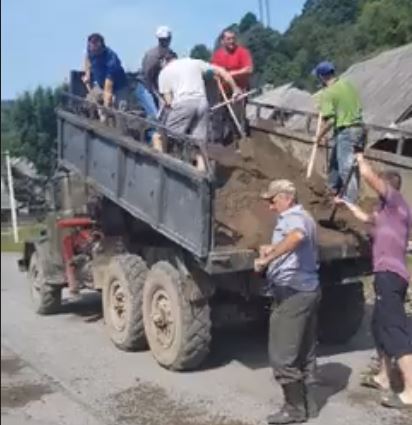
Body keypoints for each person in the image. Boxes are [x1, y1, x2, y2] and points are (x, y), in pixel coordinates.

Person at [335, 153, 412, 409]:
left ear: (388, 187)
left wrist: (359, 159)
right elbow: (365, 218)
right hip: (384, 275)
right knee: (379, 325)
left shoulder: (396, 203)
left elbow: (368, 177)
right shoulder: (384, 212)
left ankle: (410, 391)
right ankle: (384, 377)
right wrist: (345, 203)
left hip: (392, 274)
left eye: (382, 185)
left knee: (393, 328)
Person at [254, 179, 321, 424]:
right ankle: (309, 404)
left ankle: (294, 410)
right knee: (304, 351)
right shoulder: (304, 216)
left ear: (287, 198)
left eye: (272, 201)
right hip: (307, 290)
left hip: (293, 293)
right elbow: (294, 242)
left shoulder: (295, 218)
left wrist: (267, 258)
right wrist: (270, 247)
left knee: (282, 355)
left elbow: (296, 237)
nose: (270, 207)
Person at [158, 52, 242, 169]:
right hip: (202, 103)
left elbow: (169, 102)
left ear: (163, 61)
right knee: (199, 145)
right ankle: (201, 173)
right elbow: (221, 71)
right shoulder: (194, 62)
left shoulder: (164, 72)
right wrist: (235, 89)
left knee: (165, 136)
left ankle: (165, 167)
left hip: (183, 103)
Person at [312, 61, 365, 203]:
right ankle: (332, 188)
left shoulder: (328, 93)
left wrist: (319, 136)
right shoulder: (347, 84)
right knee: (335, 161)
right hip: (359, 128)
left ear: (322, 77)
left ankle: (350, 202)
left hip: (347, 131)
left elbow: (330, 120)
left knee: (346, 168)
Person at [211, 29, 254, 142]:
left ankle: (241, 139)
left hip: (240, 89)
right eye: (228, 39)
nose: (232, 41)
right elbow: (214, 72)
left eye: (233, 39)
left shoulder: (242, 52)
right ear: (222, 41)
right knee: (222, 117)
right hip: (224, 91)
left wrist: (230, 74)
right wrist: (218, 76)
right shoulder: (217, 55)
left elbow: (249, 69)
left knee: (239, 117)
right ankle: (223, 142)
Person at [82, 33, 129, 113]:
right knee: (87, 104)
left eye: (96, 49)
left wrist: (105, 110)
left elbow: (108, 89)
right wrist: (87, 75)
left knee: (121, 111)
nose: (93, 51)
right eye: (91, 47)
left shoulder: (111, 59)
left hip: (118, 87)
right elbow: (87, 59)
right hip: (100, 85)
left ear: (102, 46)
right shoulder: (90, 51)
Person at [141, 26, 177, 99]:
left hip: (165, 89)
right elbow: (148, 77)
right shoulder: (151, 56)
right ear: (159, 40)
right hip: (148, 88)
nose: (165, 41)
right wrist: (157, 96)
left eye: (166, 39)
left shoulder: (173, 55)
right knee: (153, 110)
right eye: (162, 39)